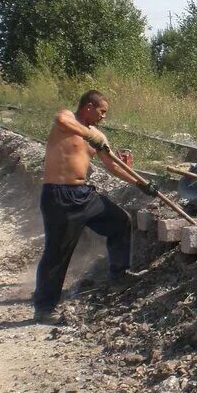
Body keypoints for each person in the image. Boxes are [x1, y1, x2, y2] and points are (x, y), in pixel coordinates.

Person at [34, 90, 155, 322]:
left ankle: (119, 274)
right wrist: (90, 136)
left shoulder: (97, 135)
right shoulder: (66, 120)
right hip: (59, 195)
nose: (103, 117)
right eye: (102, 111)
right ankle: (44, 308)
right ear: (88, 106)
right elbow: (61, 120)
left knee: (120, 222)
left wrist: (141, 183)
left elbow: (113, 166)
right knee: (58, 252)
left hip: (83, 194)